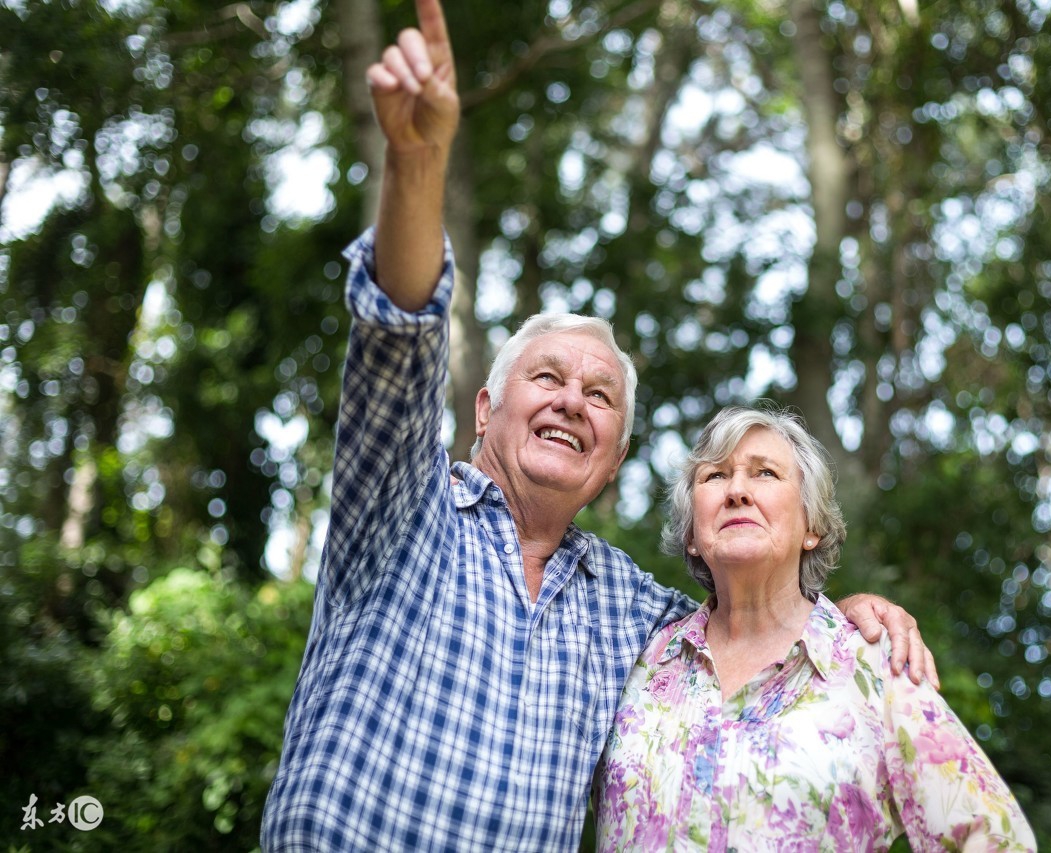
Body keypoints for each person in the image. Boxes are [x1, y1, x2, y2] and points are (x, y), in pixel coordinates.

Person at [260, 1, 937, 849]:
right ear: (484, 411)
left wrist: (850, 610)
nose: (572, 401)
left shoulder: (632, 613)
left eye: (600, 397)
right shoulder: (405, 502)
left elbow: (749, 613)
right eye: (546, 377)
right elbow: (399, 335)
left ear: (611, 461)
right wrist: (419, 161)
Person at [595, 406, 1036, 850]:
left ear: (813, 526)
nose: (737, 491)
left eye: (765, 473)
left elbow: (996, 837)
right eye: (716, 476)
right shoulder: (640, 657)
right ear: (692, 533)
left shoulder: (873, 666)